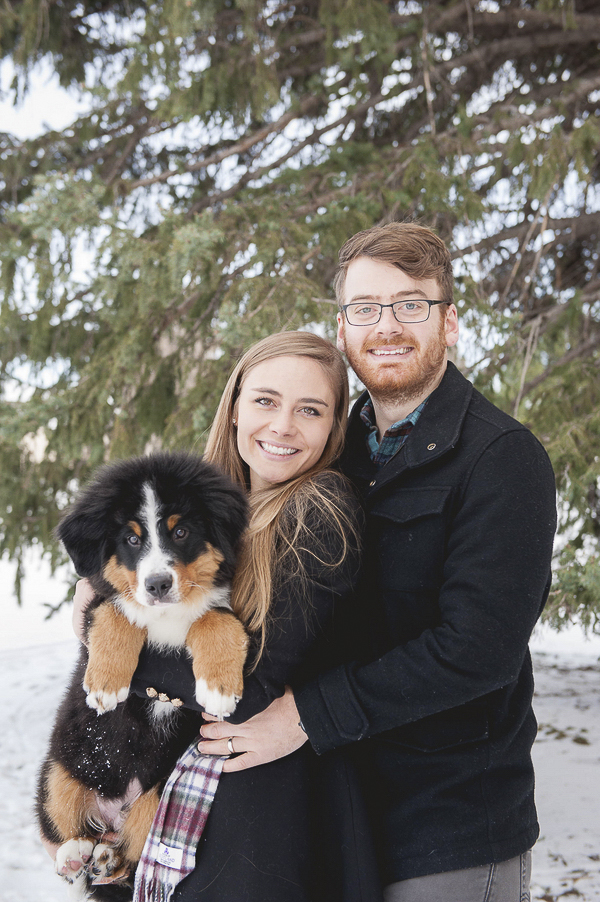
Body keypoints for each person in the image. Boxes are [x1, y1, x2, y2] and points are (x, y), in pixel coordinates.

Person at [199, 223, 558, 902]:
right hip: (331, 817)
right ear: (342, 329)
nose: (386, 325)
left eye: (410, 305)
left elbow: (476, 650)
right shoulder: (334, 451)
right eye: (365, 307)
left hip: (443, 829)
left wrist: (303, 715)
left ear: (448, 323)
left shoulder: (500, 459)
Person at [69, 331, 381, 902]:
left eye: (309, 410)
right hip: (182, 802)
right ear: (234, 407)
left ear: (334, 427)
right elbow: (123, 562)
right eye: (265, 400)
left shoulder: (319, 512)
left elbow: (254, 685)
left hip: (262, 822)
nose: (282, 425)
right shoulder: (208, 501)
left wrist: (103, 626)